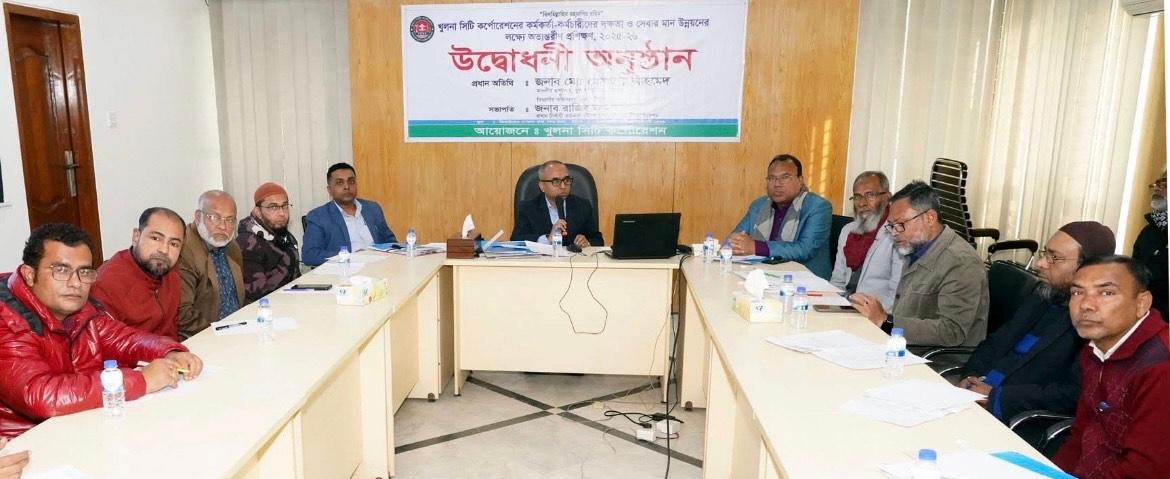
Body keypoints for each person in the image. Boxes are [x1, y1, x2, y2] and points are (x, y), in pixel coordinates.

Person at [0, 223, 203, 439]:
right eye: (61, 270)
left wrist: (169, 352)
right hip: (26, 440)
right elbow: (41, 395)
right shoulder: (7, 320)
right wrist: (140, 380)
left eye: (84, 272)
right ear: (29, 275)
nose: (76, 283)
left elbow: (124, 339)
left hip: (79, 425)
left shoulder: (79, 310)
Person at [957, 221, 1115, 422]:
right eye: (1044, 253)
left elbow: (1072, 394)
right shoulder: (1043, 294)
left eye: (1054, 258)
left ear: (1088, 268)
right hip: (974, 396)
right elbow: (995, 342)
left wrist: (996, 396)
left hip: (1017, 418)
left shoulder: (1099, 323)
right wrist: (970, 376)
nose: (1041, 263)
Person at [1052, 255, 1169, 478]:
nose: (1085, 305)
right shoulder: (1094, 349)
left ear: (1142, 303)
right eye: (1077, 292)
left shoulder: (1161, 365)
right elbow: (1080, 434)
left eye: (1106, 293)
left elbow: (1145, 471)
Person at [851, 181, 988, 347]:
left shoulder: (961, 262)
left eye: (900, 224)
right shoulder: (915, 247)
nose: (894, 232)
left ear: (930, 218)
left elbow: (952, 331)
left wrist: (886, 321)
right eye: (891, 225)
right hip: (903, 345)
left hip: (935, 358)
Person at [729, 154, 832, 279]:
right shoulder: (759, 205)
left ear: (800, 180)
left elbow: (804, 250)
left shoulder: (818, 207)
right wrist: (736, 244)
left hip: (806, 281)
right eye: (772, 178)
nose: (777, 184)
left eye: (785, 177)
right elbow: (733, 239)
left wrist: (756, 247)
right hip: (763, 276)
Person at [90, 207, 186, 340]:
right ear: (136, 236)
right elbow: (107, 344)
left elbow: (171, 330)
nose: (164, 250)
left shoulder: (171, 274)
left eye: (174, 244)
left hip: (171, 350)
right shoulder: (107, 285)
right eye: (155, 238)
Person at [178, 190, 245, 339]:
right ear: (198, 217)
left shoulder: (232, 247)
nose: (223, 226)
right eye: (214, 218)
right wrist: (218, 334)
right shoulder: (184, 250)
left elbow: (241, 295)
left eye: (230, 220)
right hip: (202, 337)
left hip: (236, 332)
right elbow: (182, 313)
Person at [830, 171, 901, 309]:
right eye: (857, 197)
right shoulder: (847, 231)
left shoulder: (897, 233)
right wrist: (830, 305)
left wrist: (879, 316)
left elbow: (896, 293)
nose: (862, 203)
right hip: (845, 306)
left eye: (870, 195)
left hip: (876, 312)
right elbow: (838, 280)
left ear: (887, 197)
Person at [302, 163, 396, 266]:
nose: (347, 187)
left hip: (379, 267)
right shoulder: (318, 217)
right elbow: (310, 255)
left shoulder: (372, 209)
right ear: (329, 190)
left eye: (351, 181)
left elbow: (390, 241)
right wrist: (351, 257)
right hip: (345, 270)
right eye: (339, 183)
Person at [511, 160, 604, 248]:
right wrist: (547, 239)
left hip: (574, 259)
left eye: (566, 180)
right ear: (542, 186)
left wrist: (587, 242)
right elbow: (516, 240)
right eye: (556, 181)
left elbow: (598, 240)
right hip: (542, 259)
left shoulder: (583, 206)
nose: (563, 186)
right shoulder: (527, 208)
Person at [237, 182, 301, 304]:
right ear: (257, 211)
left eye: (285, 206)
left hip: (292, 302)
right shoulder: (248, 243)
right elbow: (257, 296)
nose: (282, 213)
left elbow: (295, 278)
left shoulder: (285, 236)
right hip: (266, 309)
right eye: (273, 207)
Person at [1132, 171, 1166, 321]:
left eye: (1164, 184)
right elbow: (1136, 275)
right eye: (1155, 184)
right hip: (1146, 318)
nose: (1156, 189)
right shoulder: (1149, 231)